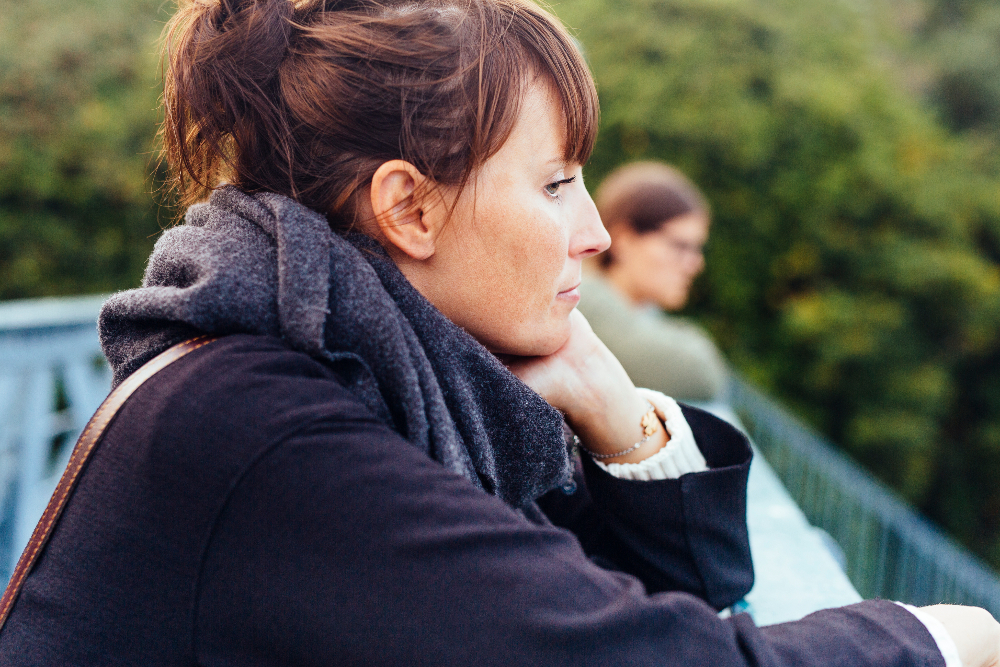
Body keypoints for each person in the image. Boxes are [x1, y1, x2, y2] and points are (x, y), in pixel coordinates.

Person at [0, 0, 996, 664]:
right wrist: (935, 639)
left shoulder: (378, 376)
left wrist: (622, 426)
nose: (594, 230)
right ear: (412, 210)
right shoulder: (269, 431)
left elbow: (683, 595)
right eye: (557, 182)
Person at [578, 161, 727, 401]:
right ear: (624, 240)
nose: (696, 264)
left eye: (698, 249)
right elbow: (701, 372)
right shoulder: (586, 301)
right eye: (681, 246)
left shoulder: (638, 312)